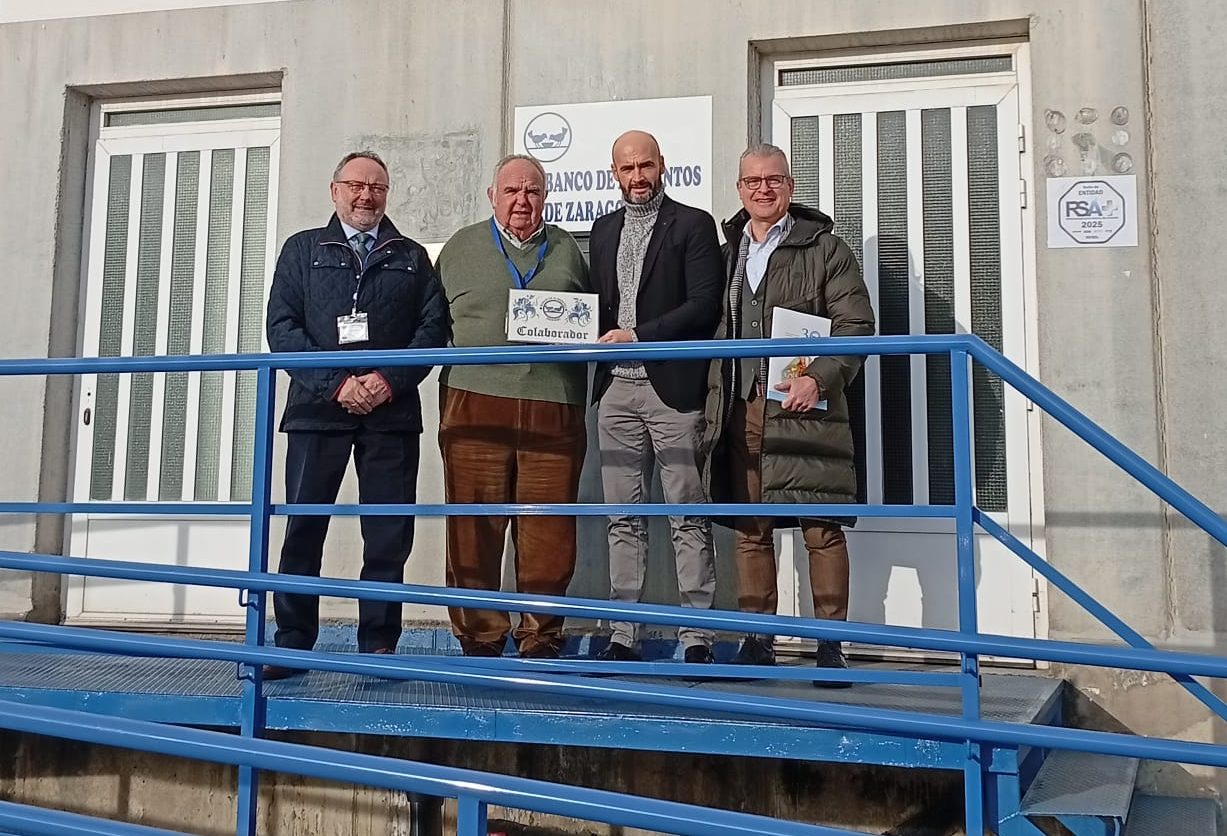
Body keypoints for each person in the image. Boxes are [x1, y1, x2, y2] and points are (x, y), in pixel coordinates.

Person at [263, 150, 449, 679]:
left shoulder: (411, 256)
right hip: (317, 411)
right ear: (335, 190)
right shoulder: (302, 250)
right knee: (304, 528)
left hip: (391, 415)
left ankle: (379, 645)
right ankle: (292, 643)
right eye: (356, 186)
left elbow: (432, 331)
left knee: (388, 534)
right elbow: (282, 328)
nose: (366, 196)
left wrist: (387, 381)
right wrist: (337, 384)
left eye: (377, 188)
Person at [702, 143, 875, 687]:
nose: (763, 189)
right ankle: (758, 641)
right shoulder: (726, 252)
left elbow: (856, 325)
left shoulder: (826, 249)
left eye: (773, 179)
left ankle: (831, 645)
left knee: (820, 529)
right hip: (742, 406)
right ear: (739, 189)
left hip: (808, 411)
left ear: (790, 186)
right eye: (752, 181)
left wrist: (817, 377)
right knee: (751, 529)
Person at [436, 154, 590, 659]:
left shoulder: (568, 249)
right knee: (473, 527)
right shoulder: (460, 246)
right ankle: (479, 636)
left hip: (553, 404)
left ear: (545, 197)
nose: (522, 200)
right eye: (511, 191)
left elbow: (593, 319)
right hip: (474, 402)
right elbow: (430, 321)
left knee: (549, 529)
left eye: (532, 191)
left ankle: (540, 636)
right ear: (492, 196)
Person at [588, 131, 723, 663]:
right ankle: (624, 632)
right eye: (627, 168)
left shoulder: (693, 224)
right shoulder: (602, 230)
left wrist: (640, 336)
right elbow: (594, 307)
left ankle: (697, 636)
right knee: (621, 516)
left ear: (662, 165)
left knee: (687, 513)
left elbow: (704, 305)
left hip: (672, 390)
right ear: (614, 173)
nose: (637, 177)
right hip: (615, 390)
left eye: (645, 165)